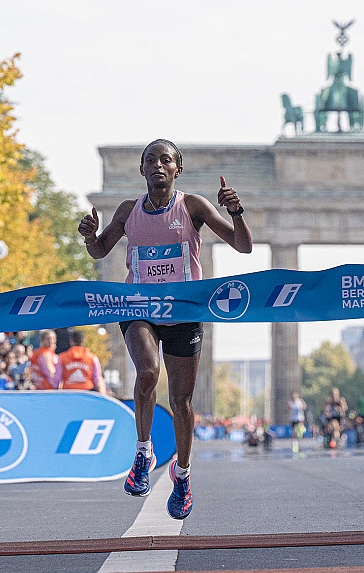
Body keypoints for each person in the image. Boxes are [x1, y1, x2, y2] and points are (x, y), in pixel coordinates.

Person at [79, 138, 252, 520]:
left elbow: (242, 246)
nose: (158, 165)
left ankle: (183, 474)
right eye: (151, 160)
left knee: (181, 402)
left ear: (178, 169)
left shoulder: (192, 206)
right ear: (141, 169)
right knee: (147, 372)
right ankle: (143, 453)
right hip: (139, 305)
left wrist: (236, 211)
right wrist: (90, 236)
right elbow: (99, 251)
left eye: (166, 160)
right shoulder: (127, 211)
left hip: (184, 311)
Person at [61, 328, 108, 395]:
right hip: (87, 393)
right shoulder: (92, 357)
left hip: (68, 394)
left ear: (71, 341)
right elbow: (97, 379)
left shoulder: (62, 357)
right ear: (83, 341)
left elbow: (56, 380)